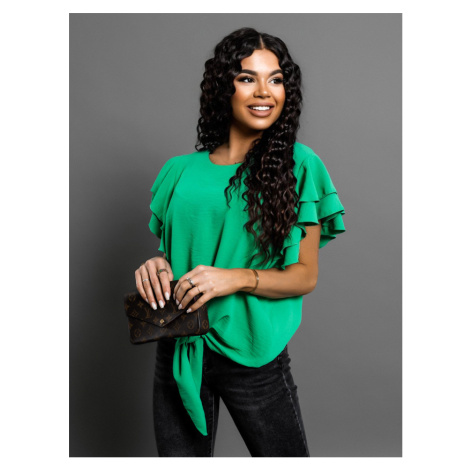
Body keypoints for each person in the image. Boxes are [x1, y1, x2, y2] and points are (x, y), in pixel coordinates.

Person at [134, 27, 346, 457]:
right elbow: (179, 252)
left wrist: (235, 278)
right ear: (223, 87)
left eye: (275, 79)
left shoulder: (300, 165)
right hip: (179, 345)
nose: (264, 91)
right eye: (247, 78)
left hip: (252, 352)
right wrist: (157, 265)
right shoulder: (179, 171)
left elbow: (304, 277)